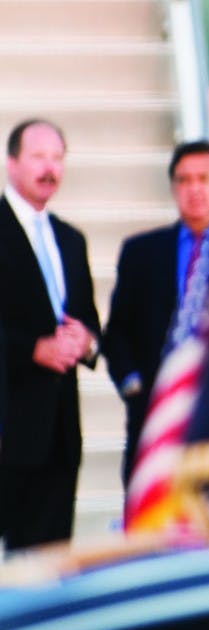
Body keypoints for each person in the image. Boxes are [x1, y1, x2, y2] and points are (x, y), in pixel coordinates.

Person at [0, 119, 101, 551]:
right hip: (9, 429)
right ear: (11, 164)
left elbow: (91, 322)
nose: (50, 168)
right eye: (39, 157)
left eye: (58, 158)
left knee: (49, 569)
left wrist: (88, 342)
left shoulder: (71, 239)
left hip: (59, 436)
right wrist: (32, 349)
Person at [102, 140, 209, 487]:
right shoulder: (142, 252)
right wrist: (133, 385)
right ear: (173, 188)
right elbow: (118, 333)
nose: (195, 189)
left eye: (205, 178)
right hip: (156, 425)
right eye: (184, 180)